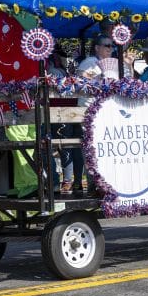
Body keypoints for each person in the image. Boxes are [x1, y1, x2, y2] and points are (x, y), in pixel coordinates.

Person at [48, 44, 84, 194]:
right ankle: (75, 182)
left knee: (66, 147)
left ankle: (68, 181)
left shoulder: (52, 69)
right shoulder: (67, 69)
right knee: (74, 146)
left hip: (61, 111)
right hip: (72, 109)